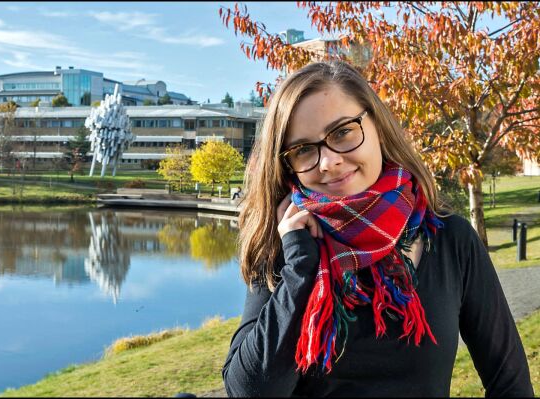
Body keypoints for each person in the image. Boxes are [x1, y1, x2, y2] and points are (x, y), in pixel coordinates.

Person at [222, 61, 534, 397]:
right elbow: (248, 390)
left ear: (377, 126)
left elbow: (510, 382)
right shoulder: (283, 244)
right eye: (302, 150)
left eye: (342, 132)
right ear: (288, 166)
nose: (328, 162)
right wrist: (300, 269)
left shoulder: (450, 240)